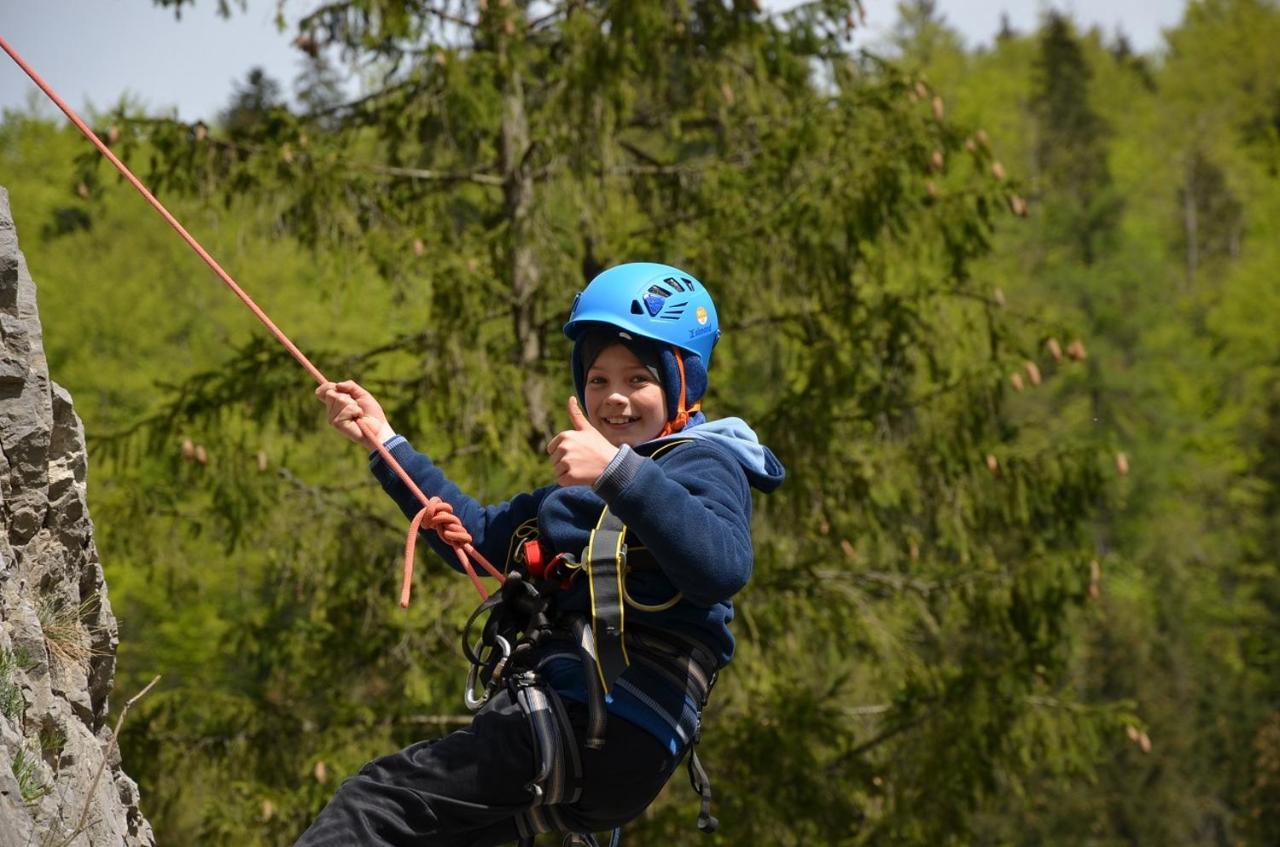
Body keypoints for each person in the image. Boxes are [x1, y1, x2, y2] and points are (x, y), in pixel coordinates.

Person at [301, 262, 784, 847]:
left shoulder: (700, 463)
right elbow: (475, 536)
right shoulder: (568, 499)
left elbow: (723, 565)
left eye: (638, 380)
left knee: (376, 802)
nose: (615, 399)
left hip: (600, 721)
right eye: (598, 380)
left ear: (682, 384)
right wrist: (386, 445)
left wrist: (614, 471)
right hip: (595, 748)